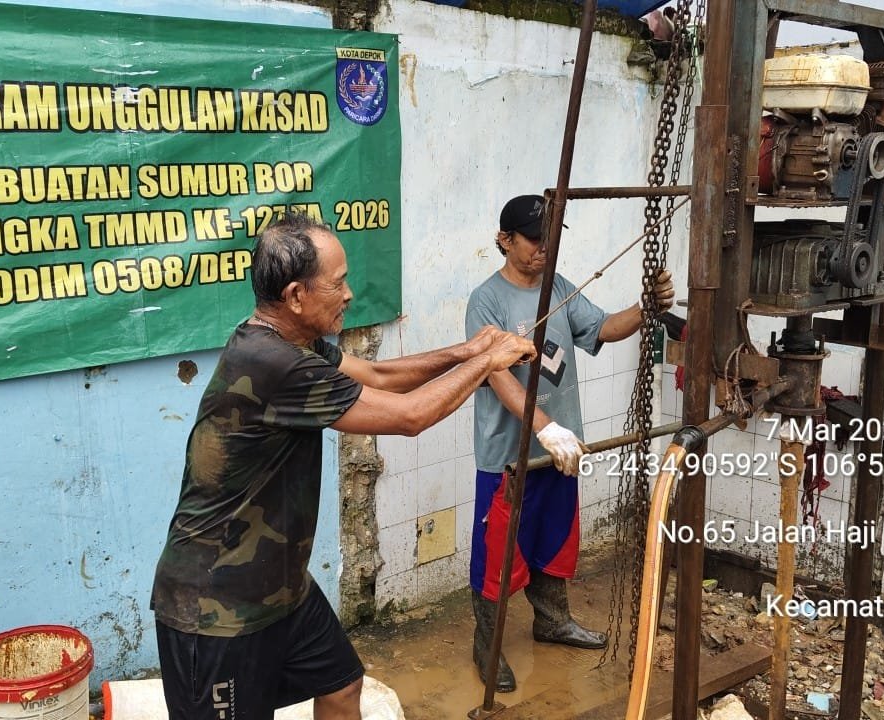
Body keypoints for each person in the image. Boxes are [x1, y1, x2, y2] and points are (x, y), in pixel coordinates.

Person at [151, 213, 536, 720]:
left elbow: (378, 375)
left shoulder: (292, 343)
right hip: (216, 605)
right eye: (338, 283)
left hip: (280, 586)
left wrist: (467, 351)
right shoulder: (274, 364)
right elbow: (409, 415)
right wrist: (486, 363)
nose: (349, 293)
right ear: (296, 295)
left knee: (340, 686)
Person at [464, 194, 675, 692]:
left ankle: (553, 621)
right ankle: (487, 645)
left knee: (553, 538)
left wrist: (646, 307)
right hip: (509, 455)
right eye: (534, 239)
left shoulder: (558, 287)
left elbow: (602, 328)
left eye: (552, 239)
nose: (544, 248)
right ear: (505, 240)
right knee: (498, 552)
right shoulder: (486, 300)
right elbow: (496, 375)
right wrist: (544, 426)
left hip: (559, 451)